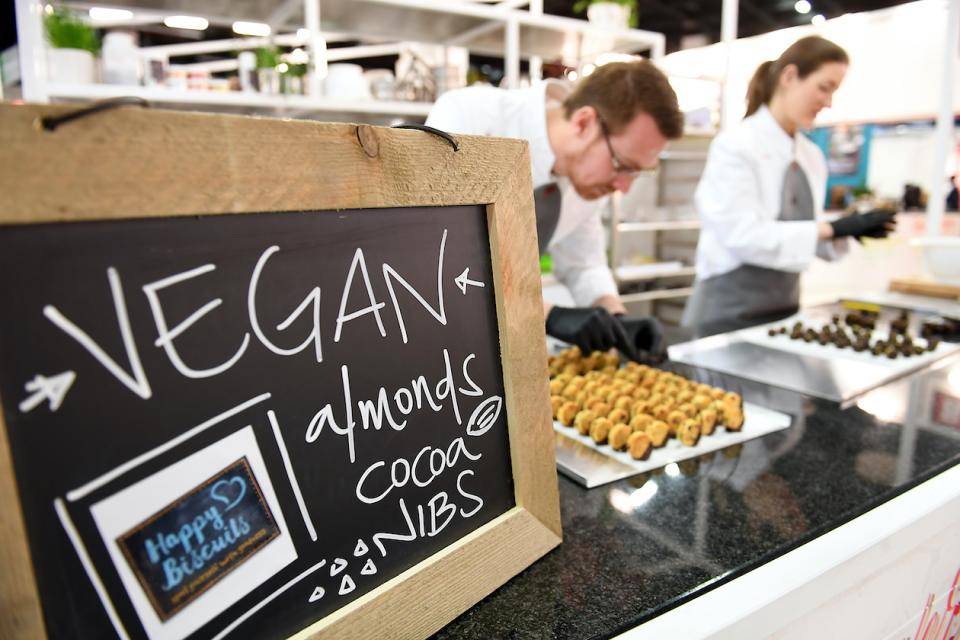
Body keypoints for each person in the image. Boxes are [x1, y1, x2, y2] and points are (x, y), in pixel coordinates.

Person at [425, 61, 684, 360]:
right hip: (433, 346)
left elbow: (583, 264)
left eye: (637, 172)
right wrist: (548, 315)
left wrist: (616, 317)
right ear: (584, 123)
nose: (624, 187)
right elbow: (437, 261)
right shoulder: (470, 119)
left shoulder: (589, 179)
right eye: (623, 166)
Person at [682, 36, 897, 337]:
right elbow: (742, 235)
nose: (828, 102)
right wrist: (832, 228)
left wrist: (851, 230)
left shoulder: (812, 156)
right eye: (824, 88)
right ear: (789, 76)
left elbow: (808, 241)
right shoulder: (736, 145)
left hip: (784, 309)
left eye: (834, 91)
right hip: (725, 311)